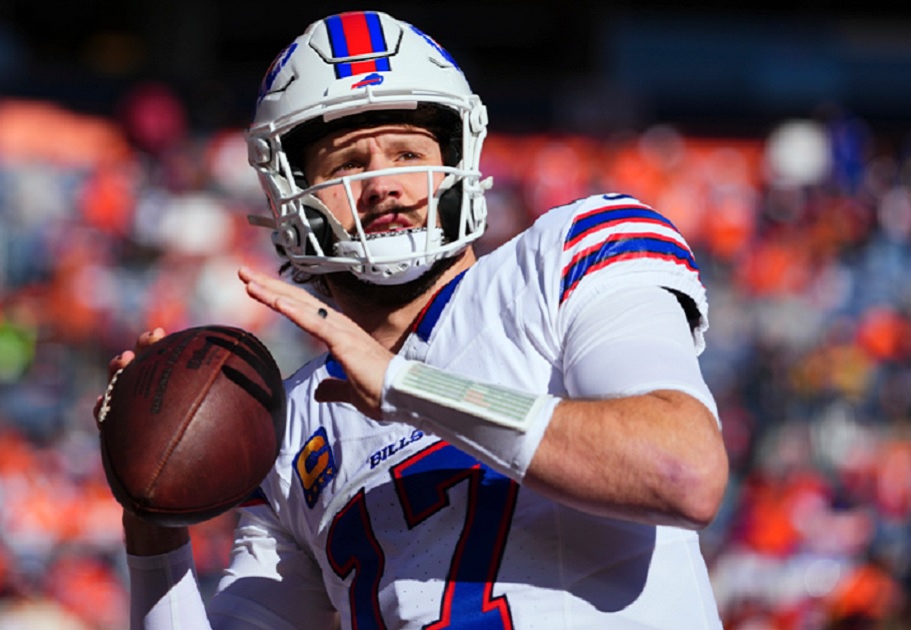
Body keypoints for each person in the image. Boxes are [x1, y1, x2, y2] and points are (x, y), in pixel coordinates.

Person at [100, 10, 729, 629]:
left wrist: (408, 387)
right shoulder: (291, 426)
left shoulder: (567, 252)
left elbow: (683, 471)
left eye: (406, 152)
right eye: (348, 165)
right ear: (290, 198)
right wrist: (154, 524)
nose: (383, 185)